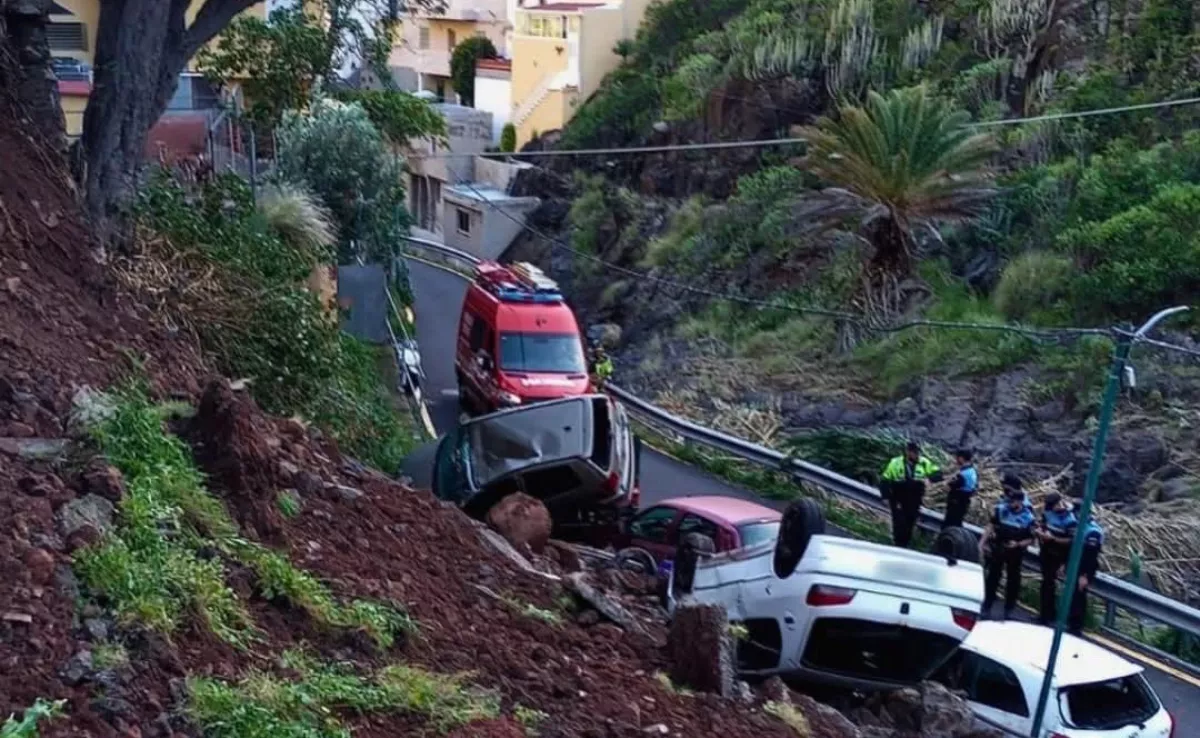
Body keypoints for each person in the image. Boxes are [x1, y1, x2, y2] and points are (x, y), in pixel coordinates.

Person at [980, 474, 1035, 620]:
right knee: (993, 577)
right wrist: (983, 542)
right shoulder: (1002, 508)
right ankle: (987, 605)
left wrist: (1018, 544)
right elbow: (991, 524)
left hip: (1015, 551)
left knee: (1013, 580)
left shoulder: (1027, 514)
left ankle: (1009, 609)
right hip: (999, 546)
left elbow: (1030, 537)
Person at [879, 441, 942, 548]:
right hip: (898, 496)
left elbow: (938, 474)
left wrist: (929, 479)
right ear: (908, 452)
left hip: (915, 498)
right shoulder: (895, 462)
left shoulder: (923, 462)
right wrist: (885, 496)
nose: (916, 455)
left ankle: (905, 545)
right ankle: (898, 544)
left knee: (910, 522)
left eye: (917, 452)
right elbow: (885, 480)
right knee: (899, 522)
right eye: (914, 452)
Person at [1035, 492, 1076, 625]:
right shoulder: (1048, 513)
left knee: (1051, 585)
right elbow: (1042, 525)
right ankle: (1044, 614)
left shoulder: (1070, 520)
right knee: (1046, 584)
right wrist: (1040, 532)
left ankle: (1052, 616)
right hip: (1046, 553)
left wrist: (1053, 539)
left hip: (1059, 556)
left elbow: (1071, 541)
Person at [1068, 517, 1105, 635]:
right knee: (1074, 596)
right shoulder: (1078, 527)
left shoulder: (1093, 532)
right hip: (1076, 566)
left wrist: (1085, 576)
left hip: (1085, 570)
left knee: (1080, 596)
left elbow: (1091, 556)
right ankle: (1071, 623)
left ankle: (1077, 626)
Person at [942, 449, 978, 529]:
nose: (956, 460)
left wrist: (948, 483)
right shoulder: (972, 471)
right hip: (964, 505)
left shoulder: (963, 474)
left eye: (957, 457)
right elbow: (974, 488)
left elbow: (949, 486)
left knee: (948, 528)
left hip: (955, 505)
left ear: (961, 458)